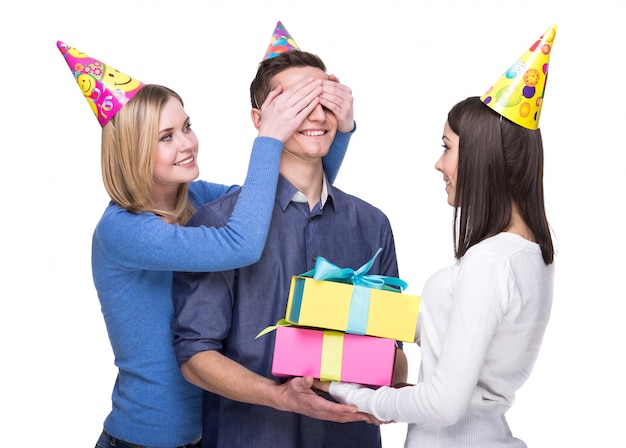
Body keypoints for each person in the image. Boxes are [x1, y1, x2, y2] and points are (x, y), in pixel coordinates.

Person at [57, 40, 356, 448]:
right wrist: (269, 137)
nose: (187, 143)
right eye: (166, 136)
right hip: (144, 441)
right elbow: (242, 245)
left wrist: (335, 128)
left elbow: (290, 196)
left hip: (212, 435)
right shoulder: (122, 230)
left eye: (187, 126)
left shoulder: (198, 198)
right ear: (131, 151)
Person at [317, 25, 557, 448]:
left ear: (481, 158)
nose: (438, 164)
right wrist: (342, 305)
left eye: (446, 147)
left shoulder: (490, 261)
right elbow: (457, 346)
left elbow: (444, 406)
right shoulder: (530, 254)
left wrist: (346, 392)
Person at [170, 46, 408, 447]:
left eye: (323, 101)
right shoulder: (218, 224)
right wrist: (279, 397)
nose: (315, 115)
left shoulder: (372, 225)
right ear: (261, 121)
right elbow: (195, 358)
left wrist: (393, 387)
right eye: (296, 104)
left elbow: (394, 354)